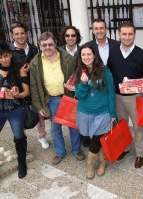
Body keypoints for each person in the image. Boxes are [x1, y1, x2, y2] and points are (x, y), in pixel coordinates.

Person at [30, 32, 85, 165]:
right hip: (52, 100)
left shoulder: (67, 58)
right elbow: (34, 86)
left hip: (68, 96)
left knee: (73, 125)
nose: (47, 47)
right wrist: (39, 106)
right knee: (55, 127)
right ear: (40, 45)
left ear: (55, 43)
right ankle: (60, 152)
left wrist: (75, 88)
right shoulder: (35, 62)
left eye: (50, 44)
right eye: (44, 45)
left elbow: (77, 76)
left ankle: (76, 149)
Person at [107, 22, 143, 168]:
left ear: (134, 35)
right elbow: (109, 72)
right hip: (118, 97)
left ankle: (139, 154)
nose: (127, 37)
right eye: (124, 34)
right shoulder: (113, 51)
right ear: (119, 34)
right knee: (121, 125)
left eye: (130, 34)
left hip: (135, 97)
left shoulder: (142, 54)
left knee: (138, 127)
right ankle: (124, 148)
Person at [0, 42, 30, 182]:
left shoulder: (19, 70)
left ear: (10, 54)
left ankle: (22, 163)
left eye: (6, 56)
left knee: (19, 137)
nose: (4, 60)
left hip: (16, 109)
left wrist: (18, 95)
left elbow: (27, 92)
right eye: (0, 57)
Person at [74, 44, 116, 179]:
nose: (86, 57)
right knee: (94, 138)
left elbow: (111, 93)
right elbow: (80, 96)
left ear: (94, 56)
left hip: (102, 112)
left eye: (89, 54)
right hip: (85, 112)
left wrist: (113, 113)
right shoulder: (79, 72)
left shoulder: (105, 71)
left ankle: (92, 165)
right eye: (83, 55)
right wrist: (83, 84)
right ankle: (102, 162)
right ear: (80, 57)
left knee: (97, 137)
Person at [9, 22, 49, 149]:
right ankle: (22, 140)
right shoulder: (9, 51)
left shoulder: (33, 48)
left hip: (33, 86)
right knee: (19, 114)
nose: (20, 36)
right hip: (17, 87)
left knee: (39, 111)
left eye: (22, 33)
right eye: (17, 34)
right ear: (13, 36)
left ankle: (42, 136)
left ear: (26, 34)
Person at [59, 25, 89, 147]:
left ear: (77, 37)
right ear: (64, 37)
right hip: (65, 90)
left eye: (73, 35)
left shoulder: (83, 50)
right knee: (71, 118)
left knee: (84, 115)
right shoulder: (59, 51)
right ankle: (76, 143)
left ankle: (85, 137)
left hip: (82, 87)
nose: (70, 38)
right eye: (67, 35)